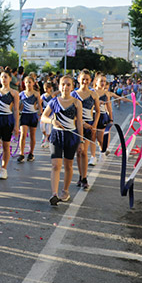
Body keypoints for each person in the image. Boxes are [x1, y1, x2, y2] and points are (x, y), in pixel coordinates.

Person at [40, 75, 84, 205]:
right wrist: (52, 121)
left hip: (71, 136)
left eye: (68, 84)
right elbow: (43, 117)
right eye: (63, 84)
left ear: (72, 86)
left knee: (68, 165)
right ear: (59, 86)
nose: (65, 87)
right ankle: (54, 194)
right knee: (56, 165)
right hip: (56, 136)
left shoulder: (77, 103)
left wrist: (81, 141)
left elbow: (79, 122)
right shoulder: (54, 101)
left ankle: (65, 190)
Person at [0, 68, 20, 180]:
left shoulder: (14, 93)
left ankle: (4, 168)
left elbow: (16, 110)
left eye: (5, 77)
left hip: (7, 119)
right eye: (1, 77)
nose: (3, 79)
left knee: (6, 145)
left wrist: (16, 126)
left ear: (10, 79)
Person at [72, 70, 99, 188]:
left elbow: (98, 111)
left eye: (87, 79)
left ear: (90, 80)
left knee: (84, 151)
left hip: (89, 126)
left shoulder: (93, 94)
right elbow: (70, 112)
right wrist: (80, 122)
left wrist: (94, 125)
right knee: (78, 152)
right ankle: (80, 175)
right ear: (78, 79)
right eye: (83, 79)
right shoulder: (73, 94)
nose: (85, 81)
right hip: (76, 125)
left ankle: (84, 177)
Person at [18, 75, 42, 163]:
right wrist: (18, 112)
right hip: (24, 115)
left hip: (33, 115)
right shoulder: (21, 94)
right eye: (26, 82)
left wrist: (41, 114)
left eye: (30, 82)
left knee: (32, 135)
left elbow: (39, 106)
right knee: (23, 134)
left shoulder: (36, 94)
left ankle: (31, 153)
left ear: (33, 83)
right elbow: (17, 105)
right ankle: (21, 153)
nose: (28, 84)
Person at [92, 74, 114, 163]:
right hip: (93, 115)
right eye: (101, 81)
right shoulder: (91, 92)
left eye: (104, 81)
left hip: (103, 116)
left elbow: (109, 107)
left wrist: (111, 119)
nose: (103, 83)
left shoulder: (106, 94)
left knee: (100, 138)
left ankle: (102, 152)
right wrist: (96, 103)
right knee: (92, 137)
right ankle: (93, 157)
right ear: (96, 82)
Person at [40, 82, 57, 148]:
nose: (46, 90)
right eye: (45, 88)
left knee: (48, 127)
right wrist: (39, 110)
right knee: (42, 127)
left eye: (47, 88)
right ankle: (45, 135)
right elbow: (39, 103)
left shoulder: (52, 96)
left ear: (50, 88)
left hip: (51, 114)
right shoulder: (43, 96)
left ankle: (47, 140)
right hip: (44, 113)